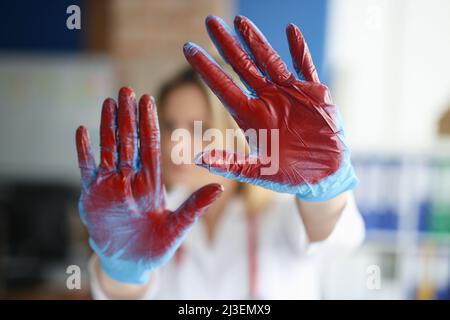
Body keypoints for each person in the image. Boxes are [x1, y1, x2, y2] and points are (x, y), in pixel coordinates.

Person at [75, 16, 365, 299]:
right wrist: (123, 272)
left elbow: (339, 237)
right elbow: (120, 296)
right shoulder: (147, 214)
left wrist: (325, 186)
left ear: (234, 133)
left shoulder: (280, 209)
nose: (176, 141)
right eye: (169, 125)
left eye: (197, 127)